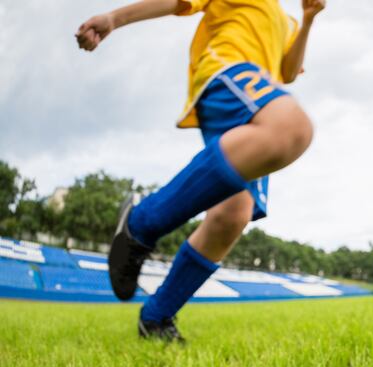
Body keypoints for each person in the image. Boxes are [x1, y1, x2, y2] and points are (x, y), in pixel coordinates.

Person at [76, 0, 325, 342]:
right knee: (292, 129)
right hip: (228, 74)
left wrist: (308, 20)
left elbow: (288, 71)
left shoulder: (286, 20)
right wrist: (114, 19)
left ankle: (157, 317)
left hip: (258, 96)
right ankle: (141, 222)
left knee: (233, 214)